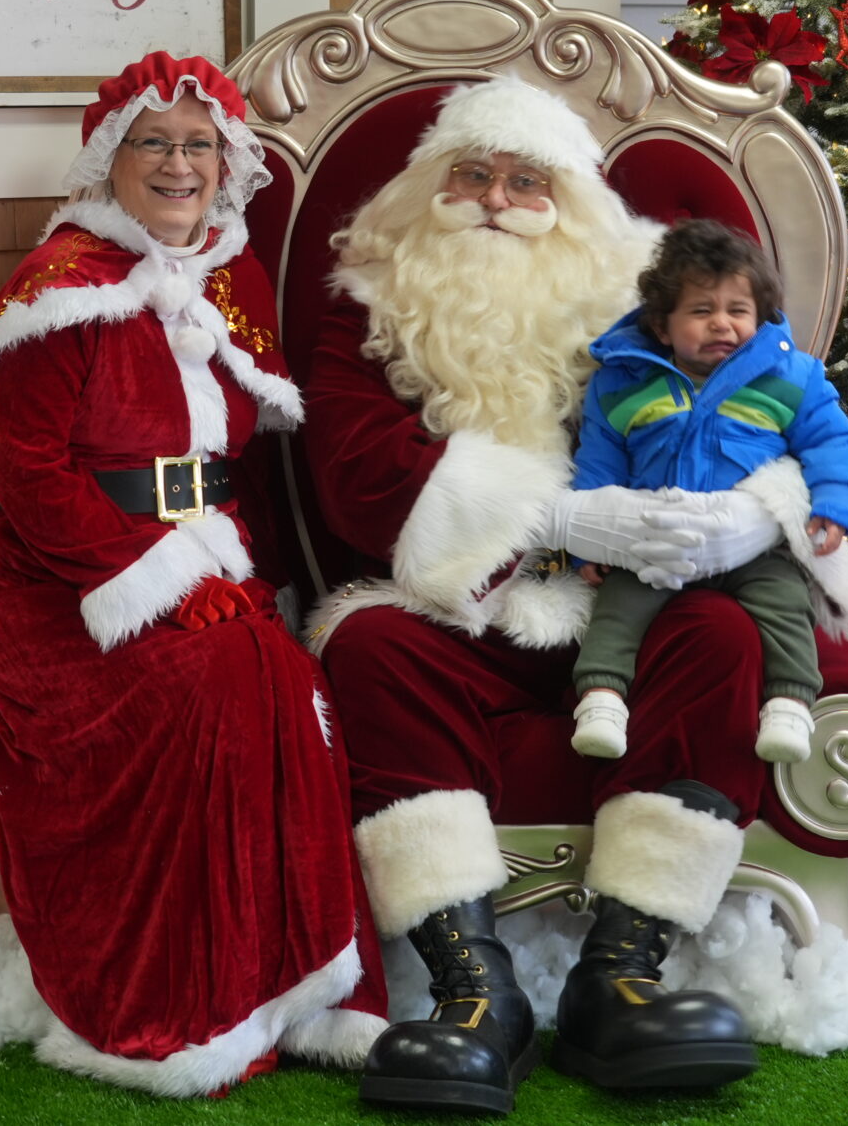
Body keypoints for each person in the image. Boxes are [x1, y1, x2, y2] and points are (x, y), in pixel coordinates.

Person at [305, 77, 805, 1111]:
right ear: (428, 190)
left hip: (630, 612)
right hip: (457, 616)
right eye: (472, 176)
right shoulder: (370, 306)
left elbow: (771, 405)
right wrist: (557, 518)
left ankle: (618, 976)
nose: (495, 200)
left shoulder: (646, 303)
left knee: (721, 633)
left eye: (527, 182)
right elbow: (357, 480)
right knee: (367, 647)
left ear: (570, 203)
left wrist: (751, 513)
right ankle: (474, 990)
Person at [0, 52, 384, 1094]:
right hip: (61, 582)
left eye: (199, 145)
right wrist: (161, 580)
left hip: (207, 557)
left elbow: (246, 468)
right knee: (217, 684)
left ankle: (306, 986)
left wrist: (245, 579)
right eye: (154, 142)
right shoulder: (59, 287)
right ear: (112, 158)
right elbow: (30, 479)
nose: (178, 164)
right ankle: (185, 1006)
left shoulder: (230, 283)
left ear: (227, 164)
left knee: (287, 683)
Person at [568, 220, 848, 768]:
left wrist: (834, 506)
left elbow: (832, 442)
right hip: (655, 541)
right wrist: (590, 545)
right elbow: (598, 463)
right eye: (701, 310)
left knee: (785, 601)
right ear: (662, 325)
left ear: (760, 315)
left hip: (754, 547)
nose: (721, 323)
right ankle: (601, 699)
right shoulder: (623, 381)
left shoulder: (791, 376)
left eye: (737, 310)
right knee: (616, 607)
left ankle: (789, 705)